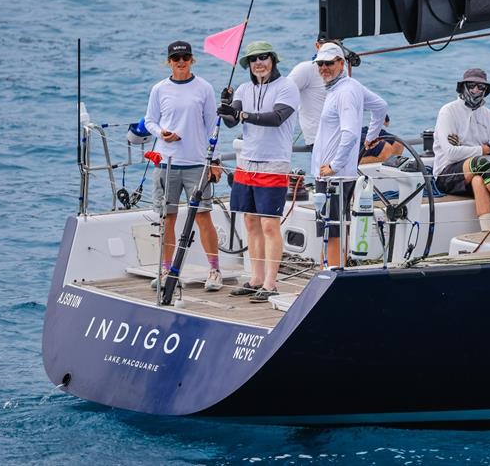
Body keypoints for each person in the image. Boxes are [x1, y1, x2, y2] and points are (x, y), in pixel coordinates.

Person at [217, 41, 300, 303]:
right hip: (246, 164)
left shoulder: (286, 86)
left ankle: (271, 283)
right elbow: (232, 121)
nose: (258, 63)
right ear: (248, 65)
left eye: (263, 57)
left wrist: (241, 115)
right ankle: (255, 279)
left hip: (273, 164)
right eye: (253, 59)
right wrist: (226, 107)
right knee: (250, 223)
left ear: (273, 60)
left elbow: (276, 118)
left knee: (268, 225)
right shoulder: (244, 88)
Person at [144, 40, 222, 291]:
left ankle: (214, 270)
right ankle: (167, 270)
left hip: (197, 163)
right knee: (168, 218)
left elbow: (213, 126)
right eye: (176, 58)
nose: (181, 62)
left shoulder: (204, 88)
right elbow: (149, 121)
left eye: (185, 57)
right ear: (169, 61)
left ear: (192, 60)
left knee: (203, 217)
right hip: (166, 163)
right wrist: (161, 133)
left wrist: (215, 161)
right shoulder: (159, 89)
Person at [310, 42, 388, 267]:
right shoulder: (349, 85)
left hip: (335, 176)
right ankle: (337, 270)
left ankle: (333, 273)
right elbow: (381, 106)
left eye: (329, 63)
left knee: (332, 228)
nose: (324, 68)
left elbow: (350, 133)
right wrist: (371, 136)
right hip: (337, 174)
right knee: (336, 226)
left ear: (341, 63)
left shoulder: (344, 91)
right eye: (320, 64)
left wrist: (334, 165)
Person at [432, 68, 490, 231]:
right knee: (479, 163)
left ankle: (488, 231)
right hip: (446, 176)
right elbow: (450, 154)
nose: (476, 90)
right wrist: (482, 150)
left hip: (476, 175)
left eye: (481, 87)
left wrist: (469, 152)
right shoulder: (448, 111)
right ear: (463, 86)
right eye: (472, 85)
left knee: (479, 179)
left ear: (486, 91)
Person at [288, 37, 327, 149]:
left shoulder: (341, 68)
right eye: (326, 44)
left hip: (342, 133)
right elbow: (283, 95)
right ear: (318, 46)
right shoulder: (305, 69)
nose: (331, 49)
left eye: (335, 45)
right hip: (320, 139)